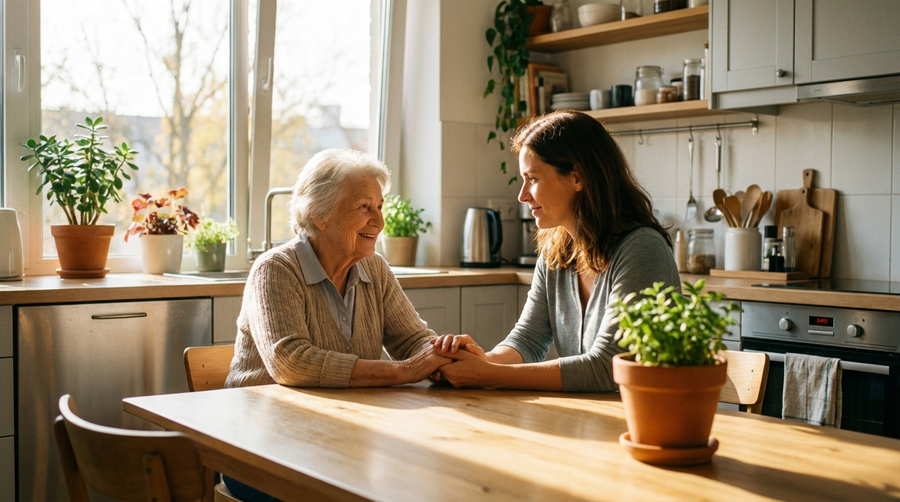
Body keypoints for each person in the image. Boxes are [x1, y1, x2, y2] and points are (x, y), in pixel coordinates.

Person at [224, 148, 451, 501]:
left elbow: (412, 339)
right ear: (319, 215)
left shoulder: (374, 269)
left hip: (341, 439)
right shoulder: (275, 269)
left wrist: (443, 354)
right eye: (364, 207)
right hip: (261, 449)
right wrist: (404, 370)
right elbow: (291, 362)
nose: (379, 221)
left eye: (379, 206)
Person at [432, 110, 680, 392]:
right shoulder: (556, 252)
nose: (522, 195)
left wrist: (489, 374)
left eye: (533, 179)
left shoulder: (642, 249)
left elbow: (608, 367)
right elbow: (528, 340)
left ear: (578, 178)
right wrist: (478, 362)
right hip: (591, 414)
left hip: (645, 415)